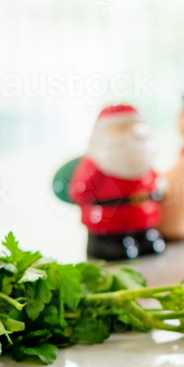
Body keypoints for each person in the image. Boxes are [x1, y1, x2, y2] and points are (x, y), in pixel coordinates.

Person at [68, 104, 165, 260]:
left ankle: (143, 238)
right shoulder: (94, 164)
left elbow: (156, 181)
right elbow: (79, 191)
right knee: (116, 249)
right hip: (107, 226)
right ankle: (109, 244)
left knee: (150, 243)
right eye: (122, 128)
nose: (132, 133)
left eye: (135, 126)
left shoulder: (144, 164)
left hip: (143, 219)